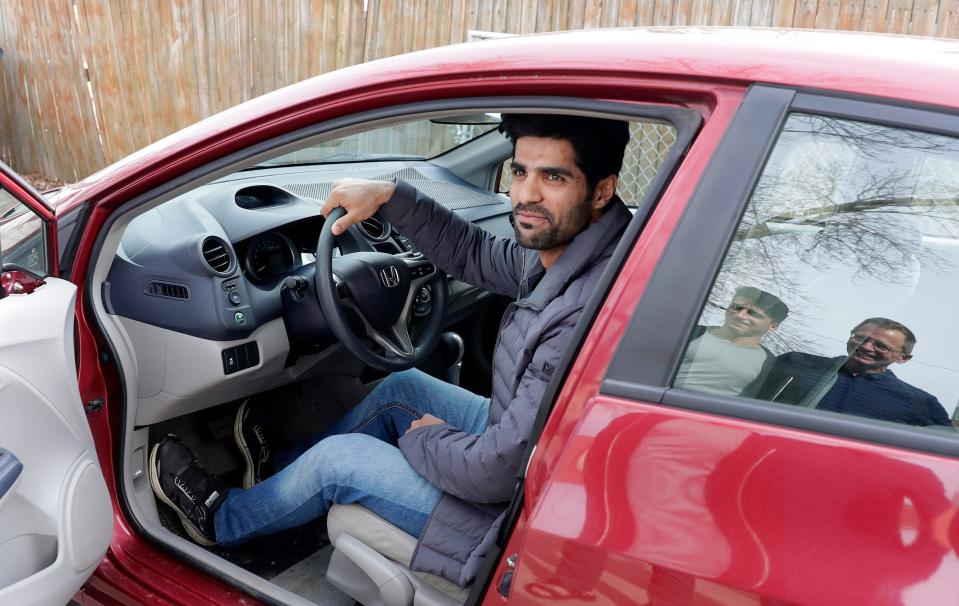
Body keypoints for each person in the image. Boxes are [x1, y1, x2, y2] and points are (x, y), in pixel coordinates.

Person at [149, 113, 633, 587]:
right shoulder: (581, 256)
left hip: (510, 522)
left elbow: (494, 474)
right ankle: (279, 476)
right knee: (402, 388)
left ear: (602, 190)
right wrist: (390, 196)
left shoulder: (582, 307)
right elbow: (477, 255)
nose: (525, 194)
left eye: (553, 177)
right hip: (544, 461)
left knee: (338, 459)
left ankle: (223, 520)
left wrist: (428, 437)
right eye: (520, 171)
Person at [746, 317, 952, 427]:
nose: (865, 346)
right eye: (860, 337)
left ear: (902, 358)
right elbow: (746, 404)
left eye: (880, 346)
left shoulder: (919, 403)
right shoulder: (797, 363)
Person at [674, 286, 788, 396]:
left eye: (753, 313)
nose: (740, 315)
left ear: (773, 326)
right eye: (737, 307)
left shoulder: (770, 365)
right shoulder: (687, 333)